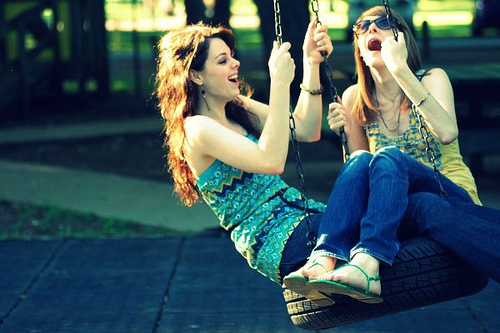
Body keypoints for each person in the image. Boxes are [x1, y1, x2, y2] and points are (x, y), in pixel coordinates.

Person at [292, 5, 499, 303]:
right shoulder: (354, 98)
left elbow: (447, 132)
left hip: (450, 194)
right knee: (367, 162)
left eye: (384, 22)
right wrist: (346, 132)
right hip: (398, 208)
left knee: (390, 158)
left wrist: (400, 70)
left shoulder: (431, 79)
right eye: (362, 27)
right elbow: (360, 175)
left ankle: (365, 261)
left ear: (402, 40)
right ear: (360, 51)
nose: (372, 29)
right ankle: (327, 257)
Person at [155, 21, 333, 285]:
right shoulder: (197, 129)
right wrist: (280, 84)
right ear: (196, 75)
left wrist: (311, 64)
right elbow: (271, 161)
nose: (235, 63)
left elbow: (306, 129)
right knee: (365, 207)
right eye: (223, 60)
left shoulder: (236, 107)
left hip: (304, 218)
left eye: (232, 57)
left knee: (387, 199)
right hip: (277, 240)